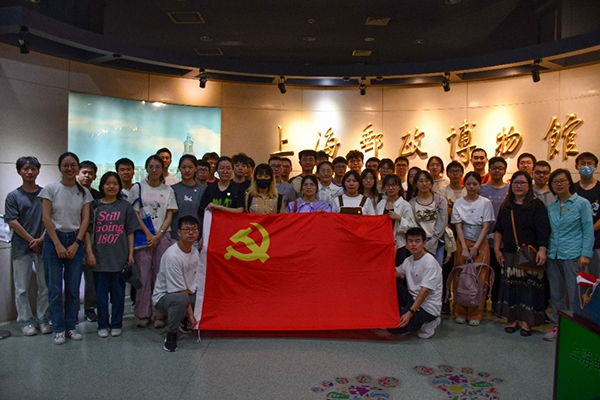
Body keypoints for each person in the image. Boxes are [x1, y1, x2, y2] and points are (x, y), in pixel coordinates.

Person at [39, 152, 93, 345]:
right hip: (54, 240)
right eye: (65, 165)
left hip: (75, 240)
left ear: (77, 168)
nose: (69, 169)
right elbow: (46, 218)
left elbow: (85, 219)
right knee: (54, 288)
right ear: (60, 167)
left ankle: (71, 327)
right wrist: (57, 244)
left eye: (73, 165)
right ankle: (58, 329)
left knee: (72, 289)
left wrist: (77, 243)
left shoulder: (84, 192)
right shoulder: (50, 189)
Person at [494, 171, 550, 336]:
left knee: (529, 288)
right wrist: (497, 249)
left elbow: (543, 230)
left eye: (522, 183)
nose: (518, 186)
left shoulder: (537, 205)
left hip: (529, 255)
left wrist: (542, 250)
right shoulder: (506, 206)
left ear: (529, 185)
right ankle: (512, 320)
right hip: (510, 253)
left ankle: (527, 322)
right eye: (515, 183)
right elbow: (498, 230)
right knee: (511, 286)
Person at [85, 172, 138, 338]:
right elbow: (87, 231)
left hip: (119, 258)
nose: (111, 186)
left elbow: (130, 231)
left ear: (119, 186)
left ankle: (116, 324)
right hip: (99, 258)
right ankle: (102, 324)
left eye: (115, 183)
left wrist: (130, 253)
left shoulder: (125, 206)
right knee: (101, 295)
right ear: (102, 185)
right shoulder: (94, 206)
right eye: (108, 183)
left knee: (119, 295)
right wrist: (89, 252)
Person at [128, 155, 178, 328]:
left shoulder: (168, 190)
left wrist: (158, 235)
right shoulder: (138, 188)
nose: (154, 170)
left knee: (161, 275)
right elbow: (134, 213)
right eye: (151, 166)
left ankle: (160, 314)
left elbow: (170, 215)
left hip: (163, 236)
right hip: (143, 237)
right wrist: (148, 233)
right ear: (146, 168)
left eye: (158, 167)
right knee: (143, 275)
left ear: (162, 169)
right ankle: (143, 313)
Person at [544, 169, 594, 341]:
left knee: (575, 295)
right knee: (556, 294)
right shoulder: (552, 206)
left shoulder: (582, 203)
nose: (559, 184)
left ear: (569, 182)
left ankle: (576, 328)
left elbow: (588, 230)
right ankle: (557, 326)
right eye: (555, 182)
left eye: (562, 181)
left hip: (573, 255)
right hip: (553, 255)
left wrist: (585, 254)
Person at [5, 156, 51, 336]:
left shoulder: (45, 194)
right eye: (25, 168)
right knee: (21, 288)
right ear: (19, 171)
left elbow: (51, 219)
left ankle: (43, 319)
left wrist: (41, 239)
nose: (30, 172)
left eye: (33, 168)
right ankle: (25, 321)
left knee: (45, 286)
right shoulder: (13, 196)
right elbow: (12, 221)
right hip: (21, 248)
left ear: (38, 171)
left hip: (44, 246)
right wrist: (32, 240)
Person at [451, 171, 495, 326]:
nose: (471, 187)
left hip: (481, 242)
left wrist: (476, 247)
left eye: (474, 184)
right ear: (465, 185)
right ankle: (460, 311)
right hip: (462, 241)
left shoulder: (485, 203)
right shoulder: (458, 203)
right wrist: (464, 247)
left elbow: (486, 226)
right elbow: (458, 226)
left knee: (480, 278)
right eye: (468, 184)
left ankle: (476, 313)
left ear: (479, 185)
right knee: (460, 277)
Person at [152, 215, 201, 352]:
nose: (190, 233)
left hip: (187, 292)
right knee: (180, 301)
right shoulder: (172, 256)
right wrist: (191, 315)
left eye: (194, 229)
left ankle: (182, 319)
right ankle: (172, 333)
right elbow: (180, 290)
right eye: (186, 230)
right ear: (179, 232)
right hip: (166, 297)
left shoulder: (194, 251)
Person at [387, 227, 443, 339]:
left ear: (424, 243)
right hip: (413, 298)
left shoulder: (429, 263)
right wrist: (394, 252)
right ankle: (404, 315)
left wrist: (409, 313)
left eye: (417, 241)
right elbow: (393, 274)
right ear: (406, 244)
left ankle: (430, 321)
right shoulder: (408, 260)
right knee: (391, 285)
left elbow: (424, 292)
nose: (413, 244)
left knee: (392, 328)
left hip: (427, 307)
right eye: (410, 241)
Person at [478, 157, 509, 309]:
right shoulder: (482, 189)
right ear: (489, 169)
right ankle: (481, 302)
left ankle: (496, 302)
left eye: (500, 168)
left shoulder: (509, 189)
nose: (497, 170)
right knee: (482, 272)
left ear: (505, 170)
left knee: (499, 273)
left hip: (503, 239)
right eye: (494, 168)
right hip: (483, 238)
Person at [77, 160, 101, 323]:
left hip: (93, 240)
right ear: (78, 174)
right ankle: (71, 310)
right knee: (71, 277)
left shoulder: (98, 196)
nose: (87, 176)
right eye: (84, 172)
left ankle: (90, 308)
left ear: (95, 176)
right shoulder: (70, 192)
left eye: (90, 173)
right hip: (71, 239)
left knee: (91, 277)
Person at [409, 170, 448, 267]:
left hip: (437, 240)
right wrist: (420, 242)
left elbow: (442, 221)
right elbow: (413, 223)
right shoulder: (411, 203)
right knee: (419, 270)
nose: (424, 184)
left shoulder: (440, 200)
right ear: (415, 184)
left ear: (431, 183)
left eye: (427, 181)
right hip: (419, 242)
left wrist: (434, 239)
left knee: (436, 269)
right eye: (420, 181)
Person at [376, 174, 417, 266]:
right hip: (382, 244)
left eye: (394, 185)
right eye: (388, 185)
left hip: (399, 244)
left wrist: (399, 218)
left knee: (397, 271)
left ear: (399, 187)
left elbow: (412, 227)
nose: (391, 188)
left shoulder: (405, 205)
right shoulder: (381, 204)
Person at [573, 152, 600, 278]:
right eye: (582, 164)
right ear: (576, 167)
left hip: (597, 242)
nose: (586, 167)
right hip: (576, 242)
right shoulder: (572, 189)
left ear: (595, 167)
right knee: (579, 281)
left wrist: (589, 230)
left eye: (589, 164)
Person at [170, 155, 205, 242]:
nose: (187, 170)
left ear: (196, 168)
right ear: (179, 168)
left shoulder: (202, 190)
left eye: (190, 167)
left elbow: (205, 216)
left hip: (196, 238)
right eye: (184, 167)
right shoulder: (172, 189)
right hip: (176, 237)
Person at [198, 156, 245, 221]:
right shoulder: (210, 188)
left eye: (228, 168)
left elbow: (240, 210)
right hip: (214, 224)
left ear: (232, 170)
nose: (225, 171)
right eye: (222, 168)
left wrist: (219, 207)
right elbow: (203, 209)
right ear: (216, 170)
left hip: (232, 224)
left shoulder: (238, 189)